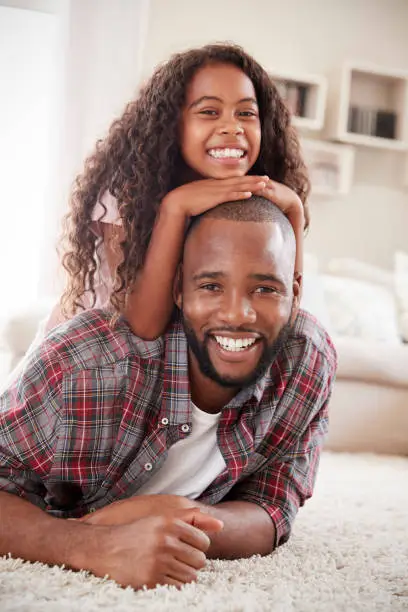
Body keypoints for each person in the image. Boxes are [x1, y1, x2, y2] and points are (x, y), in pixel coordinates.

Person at [0, 196, 336, 591]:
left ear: (295, 294)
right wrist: (90, 544)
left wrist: (178, 515)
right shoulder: (86, 365)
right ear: (179, 289)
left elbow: (273, 507)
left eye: (264, 289)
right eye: (211, 285)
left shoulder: (305, 360)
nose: (237, 315)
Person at [45, 42, 309, 340]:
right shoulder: (128, 192)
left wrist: (294, 212)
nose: (232, 127)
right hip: (88, 354)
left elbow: (285, 313)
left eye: (246, 113)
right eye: (209, 111)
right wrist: (176, 207)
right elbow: (143, 327)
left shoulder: (254, 197)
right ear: (173, 124)